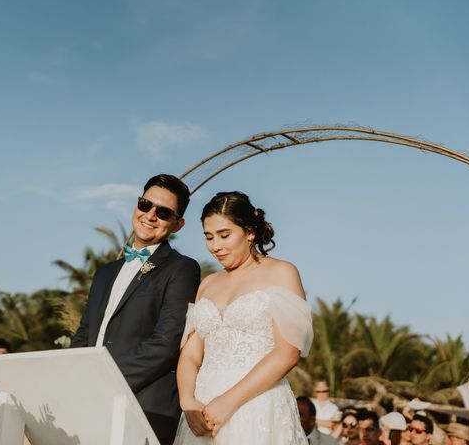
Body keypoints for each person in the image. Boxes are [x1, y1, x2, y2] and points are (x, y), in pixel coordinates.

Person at [71, 174, 200, 444]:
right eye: (145, 205)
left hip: (144, 408)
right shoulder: (105, 272)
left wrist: (104, 380)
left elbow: (167, 341)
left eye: (163, 212)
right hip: (88, 405)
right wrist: (75, 377)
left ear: (178, 224)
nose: (150, 215)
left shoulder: (182, 269)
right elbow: (85, 333)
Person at [175, 191, 313, 444]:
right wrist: (187, 402)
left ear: (249, 232)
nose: (215, 246)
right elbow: (191, 354)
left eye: (224, 235)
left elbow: (287, 352)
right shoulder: (208, 283)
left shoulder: (281, 272)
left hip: (257, 404)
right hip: (201, 408)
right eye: (209, 237)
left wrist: (229, 401)